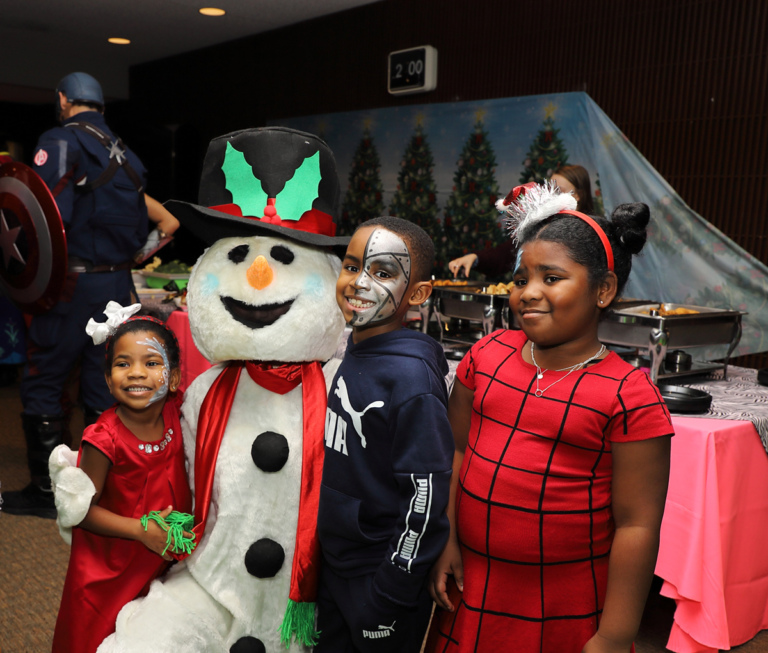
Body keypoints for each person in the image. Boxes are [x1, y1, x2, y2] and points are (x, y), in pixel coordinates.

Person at [427, 183, 673, 652]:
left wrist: (616, 635)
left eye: (551, 278)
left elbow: (638, 525)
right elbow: (454, 450)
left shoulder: (628, 394)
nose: (529, 293)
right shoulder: (487, 355)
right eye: (521, 280)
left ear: (603, 290)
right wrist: (447, 540)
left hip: (564, 601)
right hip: (474, 587)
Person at [4, 71, 179, 518]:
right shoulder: (129, 157)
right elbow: (153, 228)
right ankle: (104, 491)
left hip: (70, 286)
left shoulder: (60, 141)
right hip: (116, 285)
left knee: (44, 380)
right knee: (104, 387)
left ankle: (47, 493)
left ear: (63, 100)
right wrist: (131, 260)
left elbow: (44, 222)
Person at [316, 216, 455, 652]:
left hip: (378, 580)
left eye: (382, 273)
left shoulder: (411, 381)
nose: (358, 283)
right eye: (353, 265)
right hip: (335, 565)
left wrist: (390, 591)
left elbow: (426, 494)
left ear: (417, 294)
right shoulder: (350, 350)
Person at [51, 303, 192, 653]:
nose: (136, 373)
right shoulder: (102, 439)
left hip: (162, 559)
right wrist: (139, 531)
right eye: (123, 364)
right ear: (108, 380)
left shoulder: (178, 412)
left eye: (152, 363)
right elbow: (80, 512)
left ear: (173, 378)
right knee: (96, 640)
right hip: (110, 570)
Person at [448, 164, 596, 278]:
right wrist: (476, 258)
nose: (552, 195)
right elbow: (507, 253)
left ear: (578, 195)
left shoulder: (591, 231)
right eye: (550, 189)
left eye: (559, 190)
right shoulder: (542, 224)